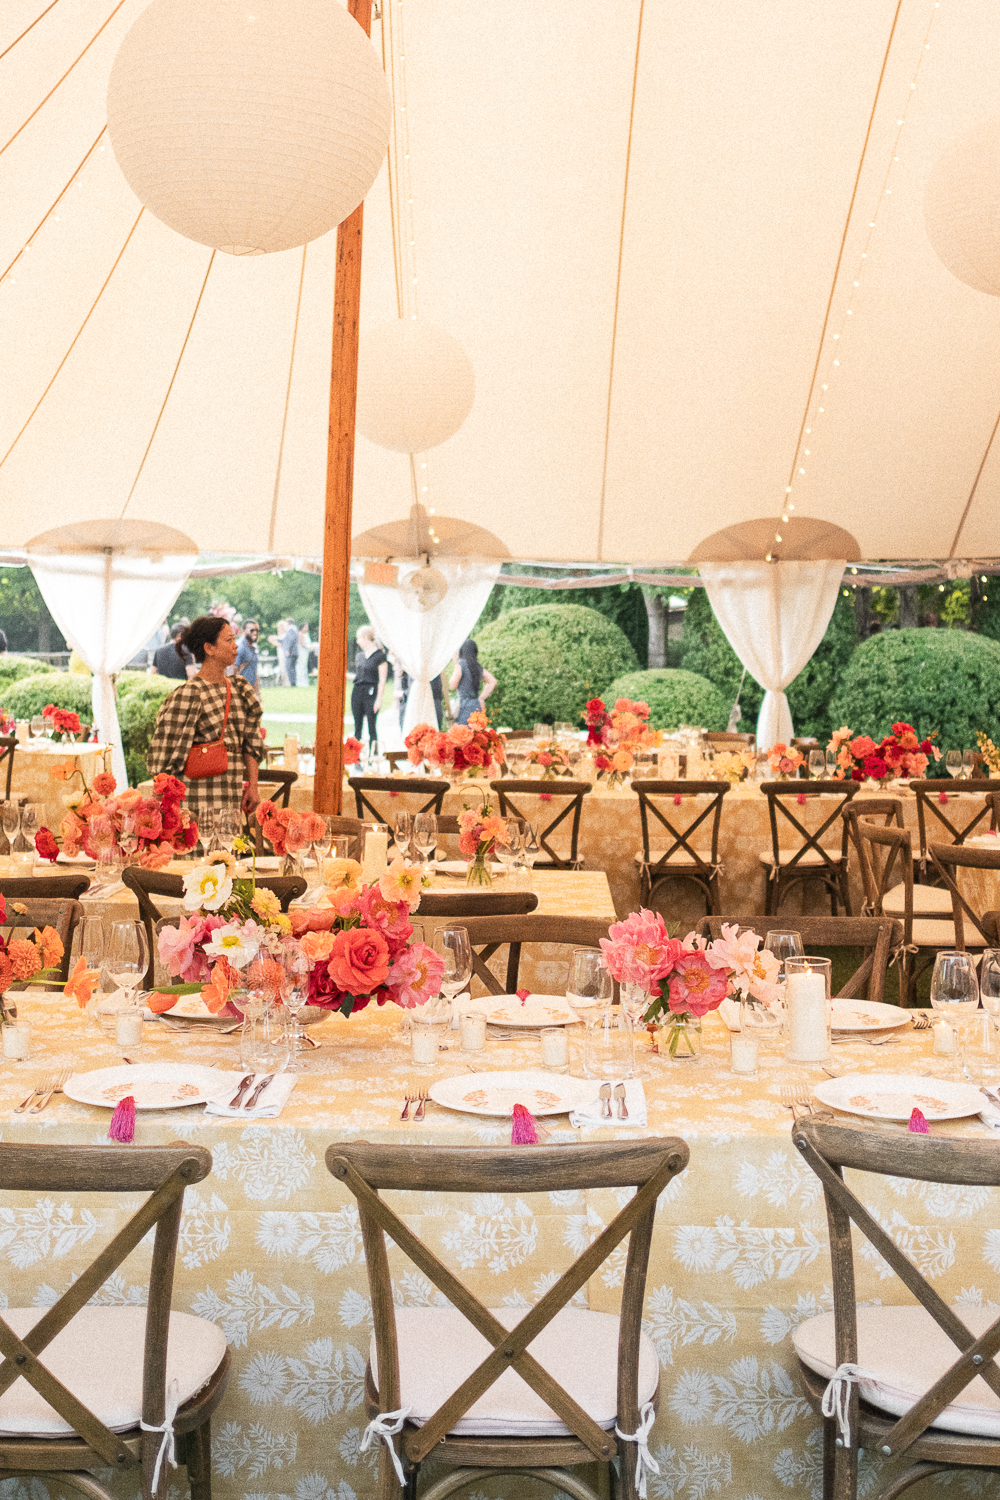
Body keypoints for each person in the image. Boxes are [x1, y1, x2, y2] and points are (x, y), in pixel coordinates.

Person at [147, 615, 264, 824]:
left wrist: (253, 787)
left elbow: (252, 742)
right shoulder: (187, 694)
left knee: (227, 855)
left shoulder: (240, 688)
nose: (235, 646)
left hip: (232, 802)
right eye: (228, 640)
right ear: (209, 648)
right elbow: (161, 760)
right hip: (194, 806)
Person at [352, 625, 387, 748]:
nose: (357, 641)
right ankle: (356, 756)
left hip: (371, 692)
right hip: (357, 691)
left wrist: (379, 699)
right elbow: (358, 675)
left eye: (359, 638)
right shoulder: (359, 656)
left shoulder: (379, 656)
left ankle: (373, 754)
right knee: (357, 726)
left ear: (366, 637)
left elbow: (382, 679)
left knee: (372, 726)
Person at [450, 638, 495, 725]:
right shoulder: (477, 666)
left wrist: (456, 663)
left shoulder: (460, 664)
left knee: (463, 734)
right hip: (476, 705)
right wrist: (482, 697)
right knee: (476, 733)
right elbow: (492, 681)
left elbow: (453, 684)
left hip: (463, 706)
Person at [234, 620, 260, 690]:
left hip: (250, 689)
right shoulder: (239, 648)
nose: (255, 632)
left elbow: (254, 672)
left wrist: (257, 693)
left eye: (257, 630)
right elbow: (231, 672)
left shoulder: (254, 647)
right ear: (243, 631)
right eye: (252, 630)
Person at [268, 619, 290, 685]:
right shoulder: (280, 636)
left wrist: (273, 640)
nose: (279, 629)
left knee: (284, 667)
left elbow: (281, 644)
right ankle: (283, 682)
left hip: (283, 653)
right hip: (280, 653)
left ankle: (286, 683)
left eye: (280, 627)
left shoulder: (285, 635)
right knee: (281, 667)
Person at [282, 618, 300, 687]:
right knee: (292, 667)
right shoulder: (295, 629)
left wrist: (287, 650)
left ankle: (292, 683)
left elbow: (290, 640)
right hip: (294, 652)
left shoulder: (291, 630)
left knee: (289, 667)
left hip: (291, 652)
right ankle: (293, 682)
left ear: (288, 623)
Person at [296, 622, 311, 687]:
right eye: (306, 627)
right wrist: (308, 647)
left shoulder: (306, 634)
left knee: (304, 666)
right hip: (302, 651)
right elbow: (301, 643)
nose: (307, 628)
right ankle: (300, 682)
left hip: (305, 652)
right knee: (301, 666)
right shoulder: (300, 634)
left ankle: (304, 682)